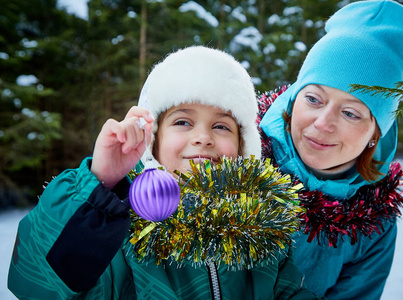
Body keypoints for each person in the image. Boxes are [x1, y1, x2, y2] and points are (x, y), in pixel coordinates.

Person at [8, 46, 319, 299]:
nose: (203, 137)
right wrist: (101, 183)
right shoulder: (119, 230)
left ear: (243, 147)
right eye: (183, 122)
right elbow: (36, 283)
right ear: (153, 141)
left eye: (221, 126)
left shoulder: (264, 232)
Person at [258, 1, 403, 299]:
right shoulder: (234, 152)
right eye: (314, 99)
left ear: (376, 133)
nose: (323, 124)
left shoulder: (374, 222)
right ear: (294, 99)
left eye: (350, 113)